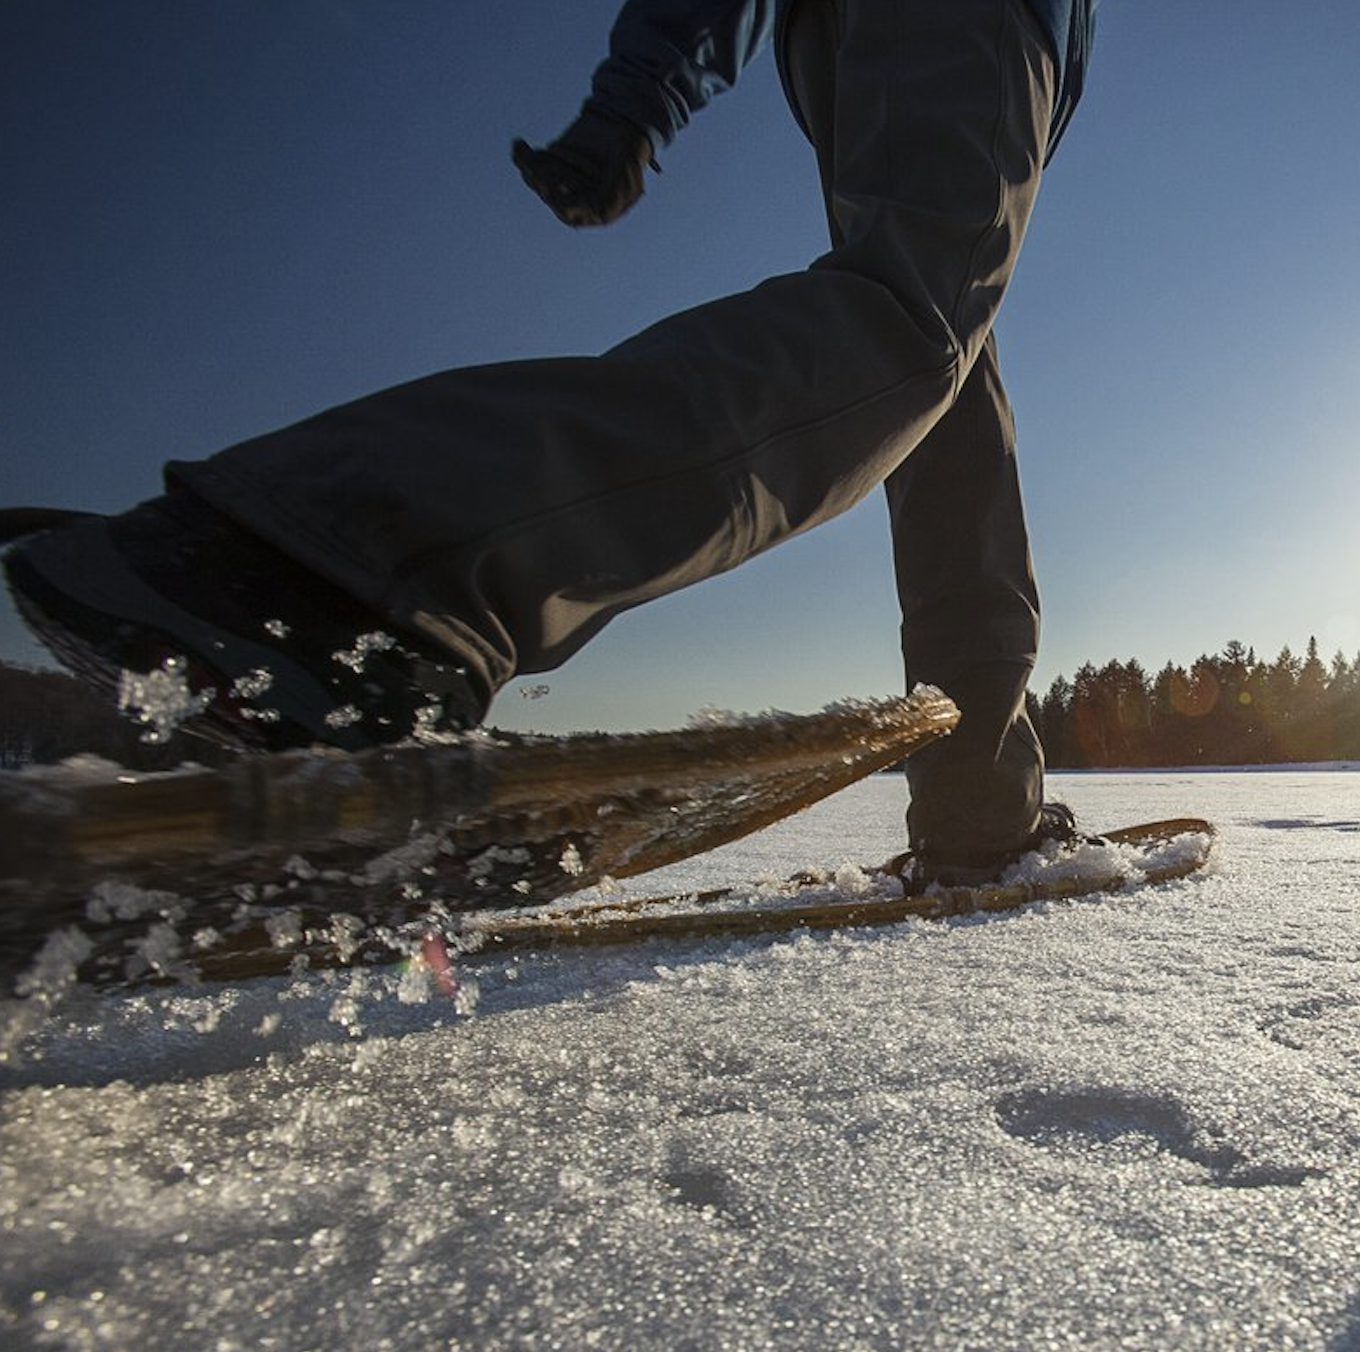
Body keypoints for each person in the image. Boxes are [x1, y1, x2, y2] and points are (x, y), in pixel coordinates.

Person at [1, 0, 1096, 886]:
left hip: (883, 66)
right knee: (906, 329)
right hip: (970, 29)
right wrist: (642, 95)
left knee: (940, 404)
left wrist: (644, 92)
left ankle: (981, 812)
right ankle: (343, 571)